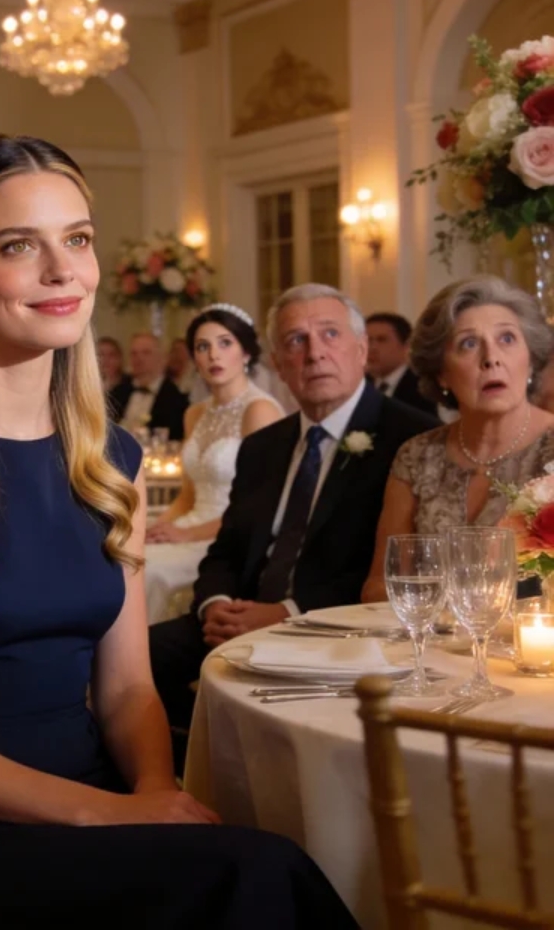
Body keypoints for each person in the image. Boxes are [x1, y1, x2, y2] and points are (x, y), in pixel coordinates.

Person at [0, 136, 357, 929]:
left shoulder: (110, 461)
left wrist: (153, 793)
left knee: (270, 863)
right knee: (254, 878)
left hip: (91, 794)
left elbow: (129, 687)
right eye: (17, 246)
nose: (63, 270)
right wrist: (111, 816)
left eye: (77, 239)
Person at [150, 283, 436, 770]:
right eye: (296, 340)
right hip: (237, 616)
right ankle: (192, 777)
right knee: (136, 659)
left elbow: (394, 568)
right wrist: (215, 605)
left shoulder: (409, 437)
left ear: (361, 349)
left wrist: (287, 611)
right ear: (279, 365)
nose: (315, 352)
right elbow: (226, 548)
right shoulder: (263, 445)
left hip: (337, 629)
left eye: (330, 334)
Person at [363, 276, 554, 601]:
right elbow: (380, 587)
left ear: (531, 359)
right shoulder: (417, 455)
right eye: (468, 344)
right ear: (442, 373)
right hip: (427, 632)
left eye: (507, 338)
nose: (491, 358)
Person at [141, 305, 283, 623]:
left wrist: (186, 535)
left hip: (228, 539)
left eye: (225, 343)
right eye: (202, 347)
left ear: (246, 352)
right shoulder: (194, 414)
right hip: (191, 524)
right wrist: (158, 528)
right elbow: (187, 497)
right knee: (125, 555)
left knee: (147, 570)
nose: (213, 355)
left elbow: (260, 509)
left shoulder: (259, 411)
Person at [109, 332, 188, 441]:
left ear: (163, 358)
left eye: (146, 353)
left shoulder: (177, 400)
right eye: (134, 353)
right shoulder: (117, 393)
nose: (139, 358)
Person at [365, 312, 439, 417]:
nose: (372, 347)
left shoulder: (423, 386)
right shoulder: (361, 384)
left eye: (381, 340)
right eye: (368, 340)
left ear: (407, 345)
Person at [96, 335, 126, 421]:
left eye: (111, 355)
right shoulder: (86, 385)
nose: (106, 360)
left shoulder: (130, 386)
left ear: (120, 358)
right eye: (101, 355)